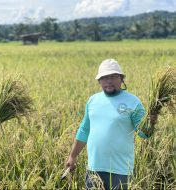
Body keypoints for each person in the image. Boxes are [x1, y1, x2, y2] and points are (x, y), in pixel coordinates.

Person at [65, 59, 157, 190]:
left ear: (121, 79)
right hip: (94, 168)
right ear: (99, 81)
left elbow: (144, 133)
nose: (108, 81)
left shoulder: (133, 102)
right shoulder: (92, 101)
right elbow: (84, 130)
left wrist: (151, 123)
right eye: (104, 77)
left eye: (113, 77)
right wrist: (73, 156)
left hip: (121, 169)